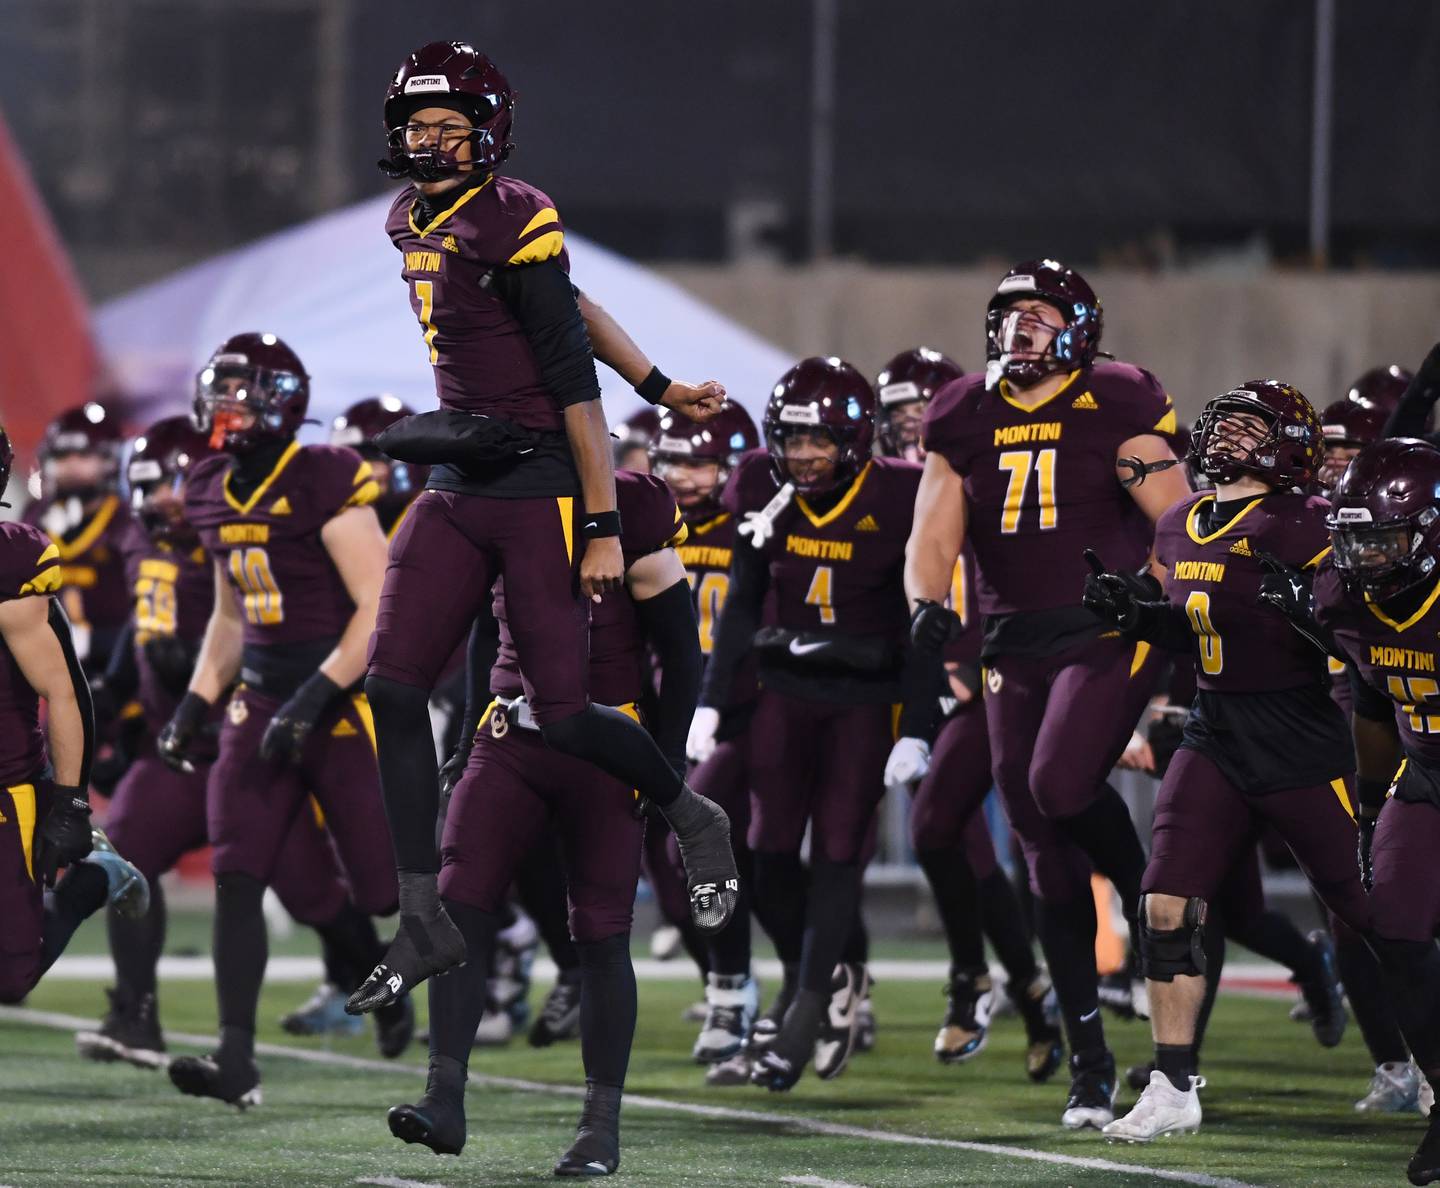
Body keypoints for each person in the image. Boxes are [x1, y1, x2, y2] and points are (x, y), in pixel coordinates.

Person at [352, 41, 738, 1012]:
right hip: (463, 473)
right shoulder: (409, 218)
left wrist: (603, 521)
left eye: (450, 127)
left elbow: (570, 381)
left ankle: (692, 816)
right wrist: (661, 379)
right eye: (418, 127)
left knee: (561, 712)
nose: (431, 143)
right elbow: (575, 302)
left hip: (539, 479)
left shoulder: (514, 214)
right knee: (392, 689)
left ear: (489, 134)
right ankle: (422, 916)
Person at [904, 260, 1188, 1127]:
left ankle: (1147, 896)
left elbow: (1178, 524)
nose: (1017, 329)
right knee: (1042, 848)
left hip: (1105, 625)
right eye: (1007, 314)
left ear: (1079, 326)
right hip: (1011, 636)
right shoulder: (965, 408)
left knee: (1057, 783)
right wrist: (924, 604)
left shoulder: (1121, 399)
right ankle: (1092, 1066)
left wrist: (1161, 599)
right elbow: (935, 527)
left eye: (1036, 314)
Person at [388, 470, 698, 1176]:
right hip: (510, 733)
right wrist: (467, 734)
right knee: (456, 907)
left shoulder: (633, 503)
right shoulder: (493, 495)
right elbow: (481, 630)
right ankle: (444, 1097)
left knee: (601, 931)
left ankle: (599, 1127)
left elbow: (681, 648)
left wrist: (665, 764)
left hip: (607, 739)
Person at [1085, 380, 1372, 1143]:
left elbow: (1353, 640)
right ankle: (1173, 1086)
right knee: (1163, 905)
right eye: (1229, 427)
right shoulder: (1179, 522)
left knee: (1379, 916)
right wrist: (1141, 613)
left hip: (1300, 732)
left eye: (1254, 431)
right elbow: (1198, 627)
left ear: (1289, 446)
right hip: (1215, 727)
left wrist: (1307, 614)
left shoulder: (1310, 523)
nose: (1233, 440)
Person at [76, 416, 394, 1065]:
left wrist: (191, 665)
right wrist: (118, 708)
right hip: (182, 747)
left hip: (256, 734)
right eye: (149, 486)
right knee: (126, 855)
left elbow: (265, 632)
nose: (162, 500)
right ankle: (135, 1015)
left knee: (313, 893)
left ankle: (381, 985)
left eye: (171, 484)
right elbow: (136, 642)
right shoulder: (142, 542)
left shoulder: (253, 532)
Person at [159, 333, 409, 1106]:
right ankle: (236, 1058)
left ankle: (386, 972)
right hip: (257, 697)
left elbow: (379, 607)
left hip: (339, 699)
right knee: (242, 873)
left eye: (242, 391)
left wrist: (313, 700)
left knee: (378, 888)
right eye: (220, 390)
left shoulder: (325, 474)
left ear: (282, 399)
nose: (225, 406)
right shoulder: (207, 485)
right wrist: (197, 702)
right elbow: (231, 617)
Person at [694, 357, 926, 1091]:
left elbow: (928, 614)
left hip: (864, 699)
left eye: (818, 443)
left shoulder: (903, 493)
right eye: (791, 443)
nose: (801, 457)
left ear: (854, 441)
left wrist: (918, 721)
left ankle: (802, 1017)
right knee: (764, 855)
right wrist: (710, 698)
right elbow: (742, 600)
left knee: (835, 855)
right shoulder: (762, 485)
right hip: (781, 691)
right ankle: (812, 981)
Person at [874, 347, 1062, 1079]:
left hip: (996, 672)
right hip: (935, 685)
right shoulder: (889, 488)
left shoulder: (987, 470)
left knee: (944, 830)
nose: (914, 429)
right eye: (900, 418)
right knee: (957, 841)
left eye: (926, 415)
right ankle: (1028, 994)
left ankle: (979, 979)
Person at [1308, 436, 1440, 1184]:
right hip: (1425, 775)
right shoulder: (1344, 597)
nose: (1365, 560)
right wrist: (1367, 807)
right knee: (1391, 923)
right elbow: (1368, 700)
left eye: (1383, 540)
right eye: (1354, 541)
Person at [0, 422, 149, 1007]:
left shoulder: (11, 564)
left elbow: (63, 692)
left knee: (11, 979)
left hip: (7, 787)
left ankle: (95, 877)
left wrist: (70, 801)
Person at [650, 401, 767, 1077]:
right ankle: (725, 985)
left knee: (706, 846)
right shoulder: (652, 522)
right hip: (670, 713)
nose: (686, 476)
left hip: (743, 713)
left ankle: (738, 991)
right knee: (667, 866)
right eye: (674, 460)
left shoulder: (752, 524)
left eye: (700, 461)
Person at [22, 403, 134, 672]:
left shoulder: (126, 522)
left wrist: (92, 641)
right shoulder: (36, 517)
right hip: (55, 674)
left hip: (123, 677)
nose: (71, 466)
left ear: (109, 460)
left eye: (84, 456)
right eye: (62, 456)